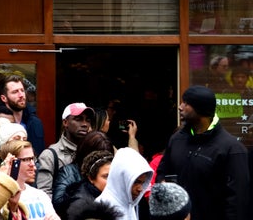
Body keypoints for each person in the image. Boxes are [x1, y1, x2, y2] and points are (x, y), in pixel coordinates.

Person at [155, 85, 249, 220]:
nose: (180, 107)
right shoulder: (177, 139)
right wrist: (163, 184)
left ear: (201, 109)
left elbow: (237, 201)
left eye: (186, 103)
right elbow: (162, 172)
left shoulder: (232, 149)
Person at [36, 102, 94, 198]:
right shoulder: (50, 155)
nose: (84, 124)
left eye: (87, 120)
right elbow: (44, 194)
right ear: (65, 122)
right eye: (78, 119)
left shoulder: (92, 151)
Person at [52, 130, 114, 213]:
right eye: (99, 157)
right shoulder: (69, 172)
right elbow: (58, 203)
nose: (104, 160)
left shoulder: (110, 171)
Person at [0, 139, 60, 220]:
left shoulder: (40, 195)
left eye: (32, 159)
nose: (32, 164)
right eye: (25, 159)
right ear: (11, 162)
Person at [96, 147, 152, 220]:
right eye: (136, 182)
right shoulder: (102, 208)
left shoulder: (127, 202)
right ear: (122, 179)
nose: (140, 189)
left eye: (142, 183)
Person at [0, 75, 45, 155]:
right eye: (15, 92)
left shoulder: (35, 122)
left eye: (22, 90)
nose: (21, 95)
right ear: (4, 98)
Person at [64, 150, 114, 220]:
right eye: (106, 176)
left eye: (114, 175)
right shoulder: (81, 204)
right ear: (91, 178)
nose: (112, 180)